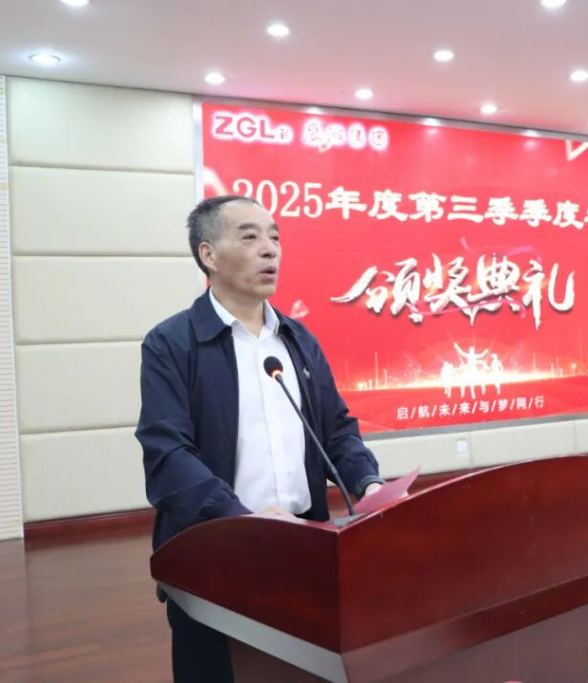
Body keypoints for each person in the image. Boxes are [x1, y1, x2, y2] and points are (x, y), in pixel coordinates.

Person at [136, 195, 385, 683]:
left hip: (304, 550)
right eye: (250, 237)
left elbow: (335, 429)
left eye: (274, 237)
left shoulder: (297, 340)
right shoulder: (172, 343)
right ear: (209, 254)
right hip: (214, 557)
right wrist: (241, 519)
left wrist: (368, 484)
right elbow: (168, 455)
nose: (270, 249)